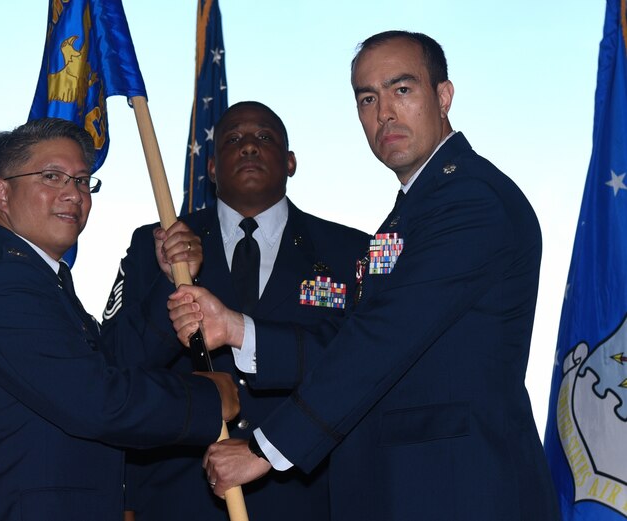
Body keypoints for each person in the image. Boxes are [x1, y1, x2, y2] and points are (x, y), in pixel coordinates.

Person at [169, 32, 561, 520]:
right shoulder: (408, 216)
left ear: (443, 96)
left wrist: (264, 449)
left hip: (457, 490)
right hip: (403, 489)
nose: (384, 114)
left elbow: (384, 339)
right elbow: (350, 336)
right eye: (368, 98)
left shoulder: (471, 202)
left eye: (402, 90)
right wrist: (234, 328)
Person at [0, 118, 238, 521]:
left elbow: (108, 365)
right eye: (51, 177)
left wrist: (170, 283)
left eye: (82, 181)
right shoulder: (6, 283)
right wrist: (205, 400)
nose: (73, 194)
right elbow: (98, 401)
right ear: (2, 192)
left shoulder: (37, 276)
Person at [101, 101, 371, 520]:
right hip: (177, 499)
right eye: (233, 139)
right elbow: (117, 369)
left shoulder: (348, 251)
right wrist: (168, 283)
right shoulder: (156, 244)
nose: (248, 147)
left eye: (264, 137)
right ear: (210, 167)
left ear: (290, 161)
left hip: (307, 497)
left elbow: (361, 368)